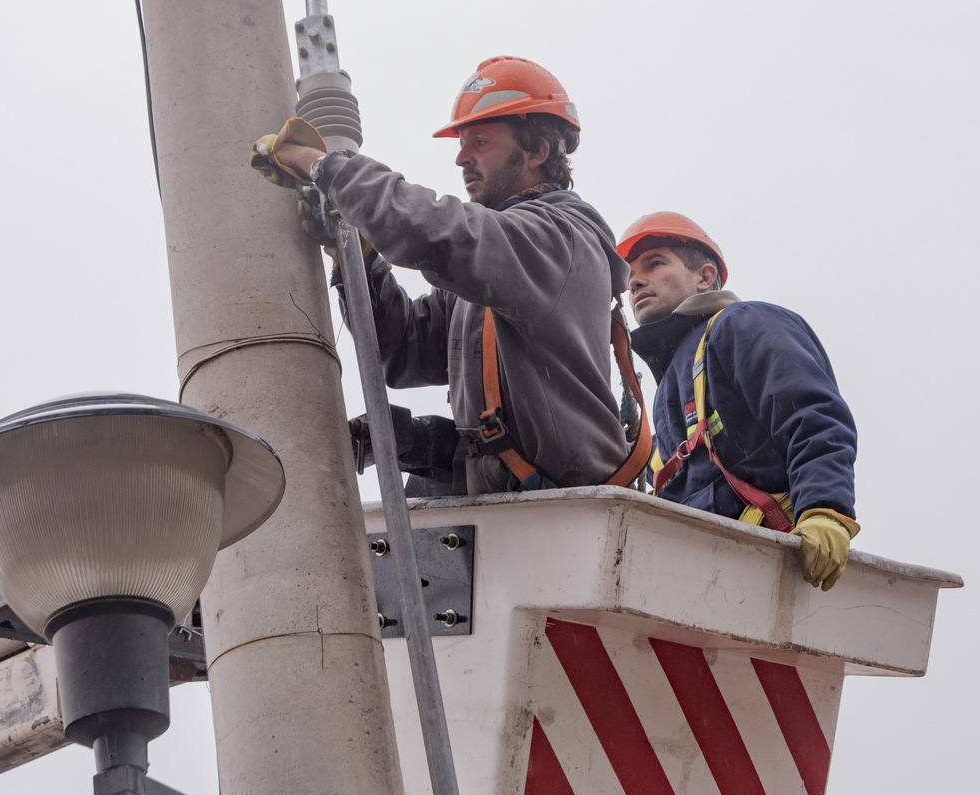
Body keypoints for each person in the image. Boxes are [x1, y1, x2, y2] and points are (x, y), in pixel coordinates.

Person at [251, 56, 649, 494]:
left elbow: (441, 233)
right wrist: (358, 259)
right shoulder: (492, 271)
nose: (462, 157)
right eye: (462, 143)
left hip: (572, 516)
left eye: (479, 141)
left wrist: (324, 166)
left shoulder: (561, 239)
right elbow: (404, 350)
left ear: (538, 151)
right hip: (518, 516)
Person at [619, 212, 859, 590]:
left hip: (776, 569)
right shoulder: (667, 390)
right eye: (631, 274)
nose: (635, 281)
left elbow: (813, 417)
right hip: (703, 577)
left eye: (655, 263)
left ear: (705, 277)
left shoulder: (741, 325)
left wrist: (824, 509)